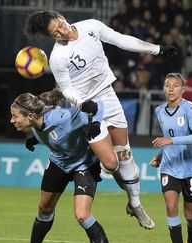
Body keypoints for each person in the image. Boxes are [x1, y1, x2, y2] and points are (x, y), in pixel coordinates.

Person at [24, 10, 178, 229]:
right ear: (52, 37)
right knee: (110, 163)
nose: (61, 30)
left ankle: (135, 204)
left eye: (59, 23)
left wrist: (157, 49)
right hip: (86, 108)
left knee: (124, 154)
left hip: (108, 96)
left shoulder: (91, 27)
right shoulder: (58, 58)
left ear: (60, 16)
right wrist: (82, 104)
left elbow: (121, 40)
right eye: (55, 32)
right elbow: (67, 90)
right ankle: (91, 157)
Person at [10, 89, 108, 243]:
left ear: (29, 116)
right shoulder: (35, 121)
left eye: (15, 116)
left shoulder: (62, 117)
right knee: (44, 208)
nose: (12, 120)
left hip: (84, 164)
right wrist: (36, 139)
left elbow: (99, 105)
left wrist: (95, 123)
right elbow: (52, 133)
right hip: (59, 162)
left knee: (82, 216)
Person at [149, 73, 192, 243]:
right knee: (171, 207)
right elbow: (169, 136)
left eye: (175, 85)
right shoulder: (159, 111)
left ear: (183, 89)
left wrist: (170, 141)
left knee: (190, 215)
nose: (171, 89)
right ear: (163, 89)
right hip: (169, 167)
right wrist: (161, 155)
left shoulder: (190, 109)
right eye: (167, 85)